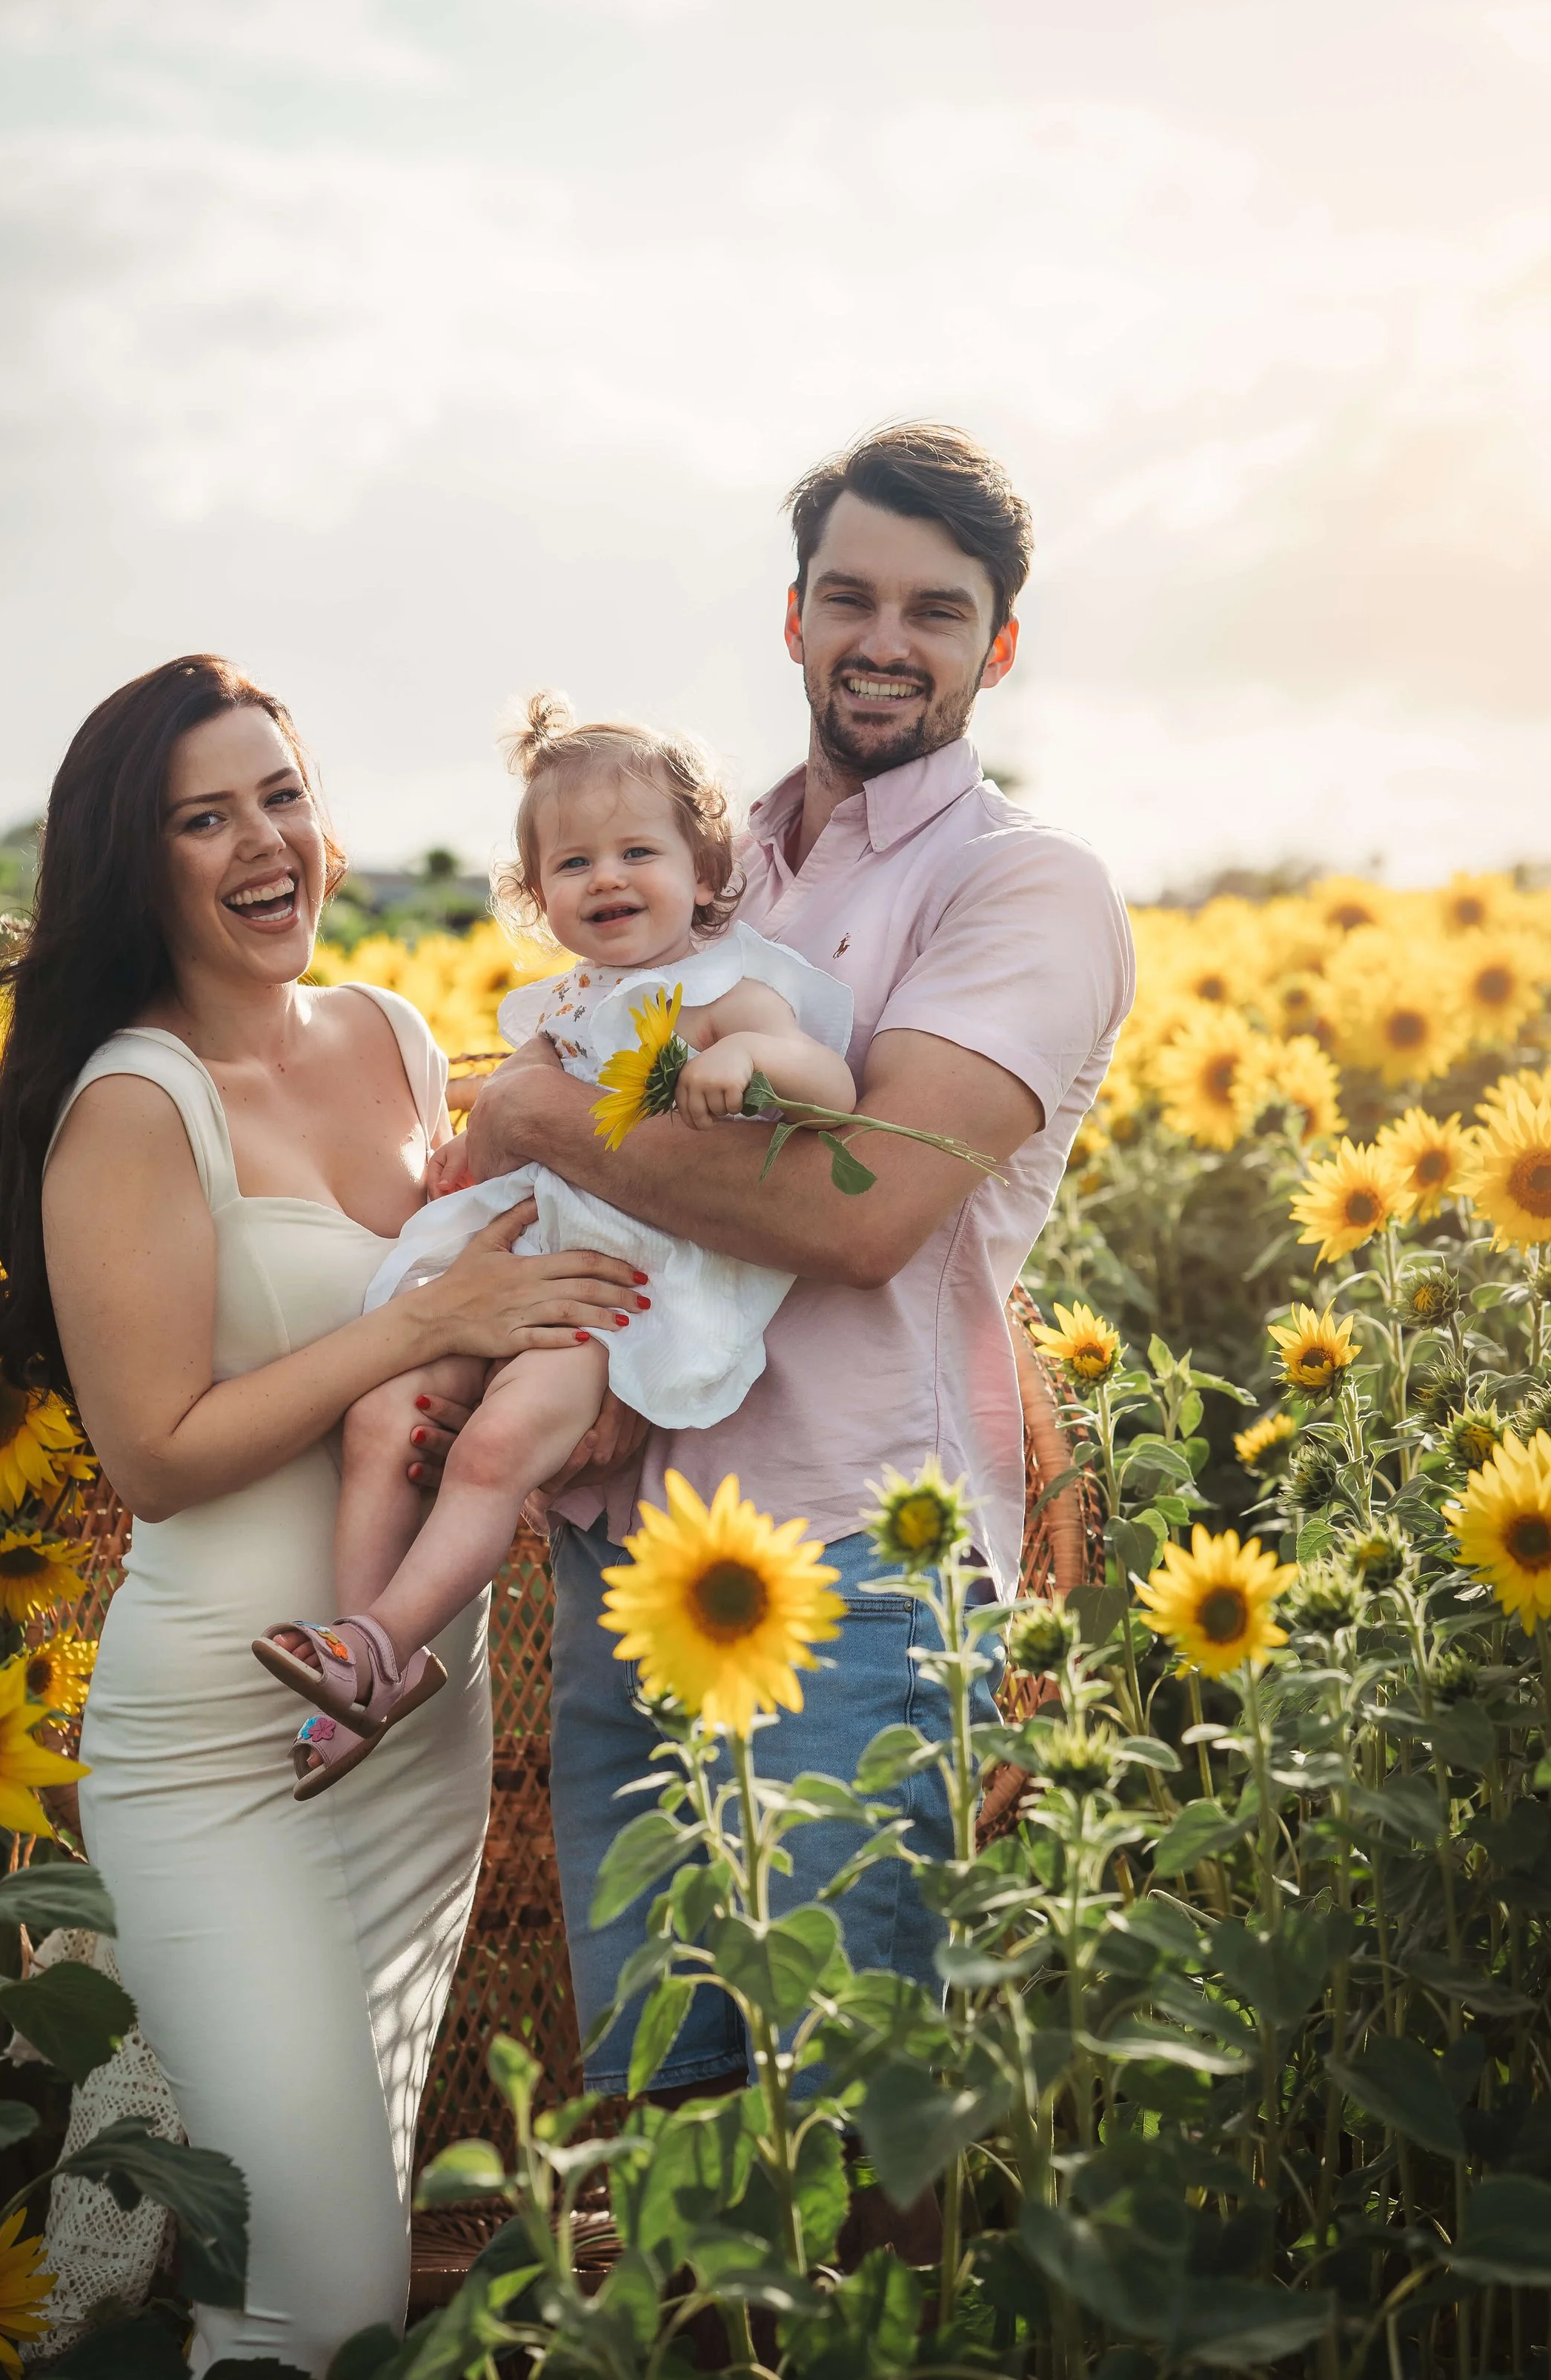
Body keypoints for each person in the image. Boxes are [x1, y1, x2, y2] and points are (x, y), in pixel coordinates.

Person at [0, 655, 644, 2374]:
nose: (265, 841)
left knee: (287, 2267)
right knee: (318, 2281)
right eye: (206, 816)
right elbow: (157, 1451)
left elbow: (465, 1333)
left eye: (282, 792)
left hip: (405, 1721)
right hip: (223, 1744)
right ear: (138, 863)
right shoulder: (135, 1100)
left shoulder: (390, 1036)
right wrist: (419, 1324)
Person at [462, 423, 1137, 2095]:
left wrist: (541, 1117)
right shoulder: (698, 864)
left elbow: (859, 1212)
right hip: (627, 1546)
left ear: (996, 643)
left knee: (842, 2099)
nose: (883, 640)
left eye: (933, 607)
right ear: (792, 619)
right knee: (657, 2106)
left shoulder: (1021, 888)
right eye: (849, 596)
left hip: (853, 1559)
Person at [251, 697, 856, 1791]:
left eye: (638, 852)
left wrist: (750, 1066)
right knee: (383, 1410)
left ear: (706, 867)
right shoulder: (571, 1004)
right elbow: (513, 1120)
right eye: (573, 863)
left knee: (493, 1450)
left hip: (616, 1291)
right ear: (539, 897)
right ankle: (356, 1655)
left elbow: (833, 1083)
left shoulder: (729, 990)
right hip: (515, 1259)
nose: (608, 879)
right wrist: (470, 1149)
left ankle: (389, 1642)